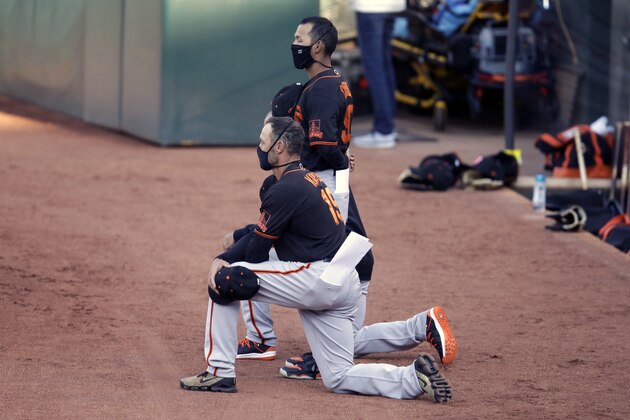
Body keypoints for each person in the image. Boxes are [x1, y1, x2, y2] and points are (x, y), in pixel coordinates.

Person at [180, 116, 452, 402]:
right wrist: (247, 234)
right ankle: (412, 378)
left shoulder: (284, 189)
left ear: (280, 146)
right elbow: (269, 233)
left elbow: (256, 254)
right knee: (338, 376)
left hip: (317, 280)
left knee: (227, 277)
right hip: (342, 282)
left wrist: (222, 258)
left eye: (263, 142)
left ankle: (219, 371)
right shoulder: (309, 178)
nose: (259, 148)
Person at [235, 16, 377, 367]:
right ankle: (332, 342)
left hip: (324, 180)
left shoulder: (323, 88)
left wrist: (337, 164)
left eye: (299, 38)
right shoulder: (328, 83)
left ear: (317, 46)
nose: (294, 43)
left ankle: (312, 346)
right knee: (346, 258)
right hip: (328, 177)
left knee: (340, 261)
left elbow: (325, 145)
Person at [350, 0, 406, 149]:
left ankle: (384, 130)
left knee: (374, 66)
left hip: (371, 7)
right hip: (391, 6)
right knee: (383, 63)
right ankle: (388, 127)